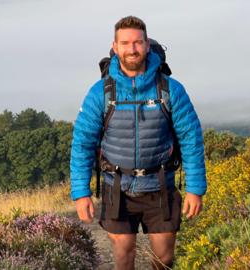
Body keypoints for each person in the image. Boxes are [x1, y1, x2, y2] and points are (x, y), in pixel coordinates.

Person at [70, 16, 207, 270]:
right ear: (115, 46)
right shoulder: (100, 92)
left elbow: (191, 138)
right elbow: (82, 143)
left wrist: (195, 188)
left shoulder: (171, 89)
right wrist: (81, 193)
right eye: (125, 43)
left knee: (164, 258)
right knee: (123, 253)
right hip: (117, 187)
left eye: (137, 42)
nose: (132, 49)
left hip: (160, 186)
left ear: (146, 45)